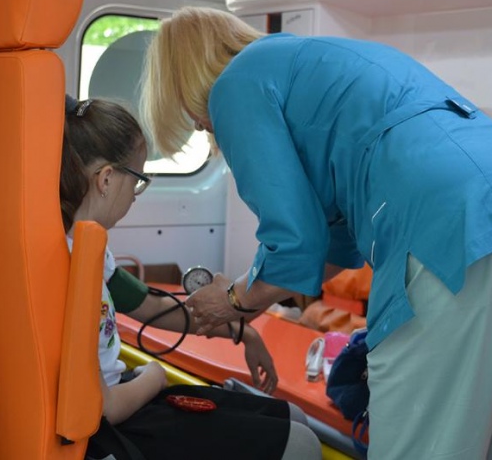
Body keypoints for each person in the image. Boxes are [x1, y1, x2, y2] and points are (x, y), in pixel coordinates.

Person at [138, 6, 492, 459]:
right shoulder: (320, 63)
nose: (201, 124)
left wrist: (233, 299)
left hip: (457, 241)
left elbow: (293, 240)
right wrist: (246, 304)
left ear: (188, 81)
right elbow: (330, 246)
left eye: (193, 116)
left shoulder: (235, 85)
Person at [61, 95, 322, 460]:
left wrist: (242, 332)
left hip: (123, 398)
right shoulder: (73, 264)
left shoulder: (90, 249)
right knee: (301, 444)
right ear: (106, 179)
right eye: (138, 181)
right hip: (109, 424)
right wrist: (154, 375)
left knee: (291, 417)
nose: (136, 196)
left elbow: (152, 306)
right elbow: (102, 409)